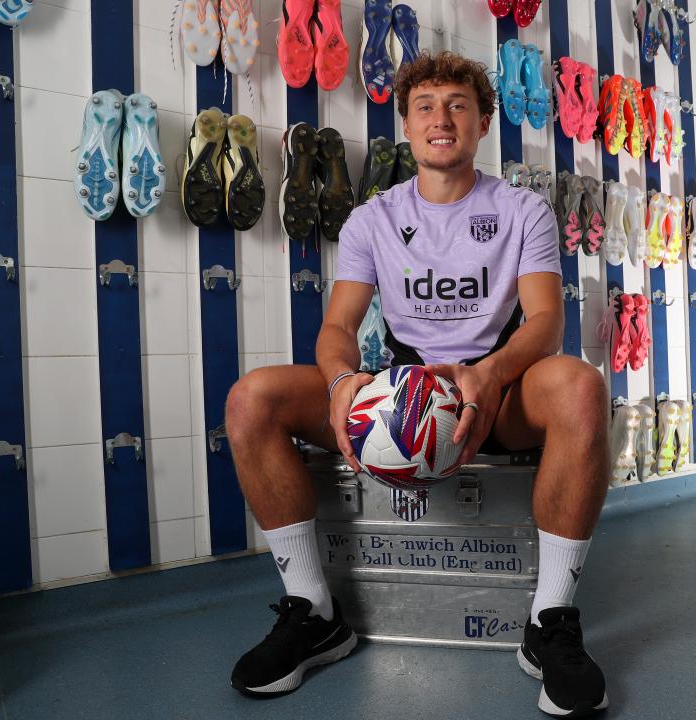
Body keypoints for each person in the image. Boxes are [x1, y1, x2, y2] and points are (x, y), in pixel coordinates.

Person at [225, 50, 610, 717]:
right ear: (406, 124)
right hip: (400, 391)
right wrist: (344, 380)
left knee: (581, 386)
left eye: (458, 105)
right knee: (250, 398)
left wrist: (488, 375)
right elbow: (338, 327)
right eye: (425, 106)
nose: (441, 119)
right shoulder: (372, 218)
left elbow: (545, 321)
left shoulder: (524, 210)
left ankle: (549, 622)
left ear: (484, 121)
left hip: (495, 391)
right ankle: (314, 613)